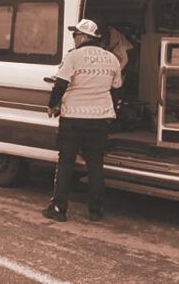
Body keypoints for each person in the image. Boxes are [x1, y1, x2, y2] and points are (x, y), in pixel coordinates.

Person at [42, 19, 122, 222]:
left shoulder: (74, 56)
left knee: (66, 162)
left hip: (74, 118)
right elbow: (116, 89)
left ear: (84, 37)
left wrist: (52, 105)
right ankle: (95, 211)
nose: (74, 39)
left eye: (75, 35)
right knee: (95, 163)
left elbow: (60, 84)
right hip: (100, 119)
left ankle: (59, 208)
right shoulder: (112, 58)